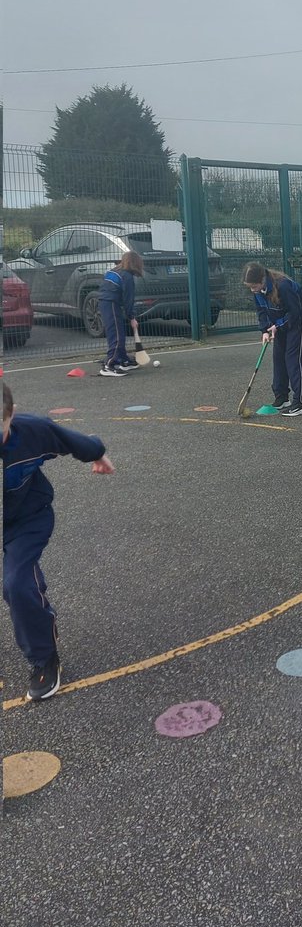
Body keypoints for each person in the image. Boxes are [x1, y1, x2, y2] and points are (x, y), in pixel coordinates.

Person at [3, 381, 114, 701]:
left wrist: (97, 454)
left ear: (10, 416)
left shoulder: (31, 432)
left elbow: (69, 440)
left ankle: (44, 657)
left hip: (26, 519)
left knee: (18, 584)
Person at [242, 262, 302, 416]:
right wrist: (265, 330)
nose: (252, 290)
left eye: (254, 286)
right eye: (250, 287)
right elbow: (261, 311)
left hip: (297, 321)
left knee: (294, 360)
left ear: (262, 280)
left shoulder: (283, 286)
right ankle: (282, 397)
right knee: (279, 358)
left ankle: (301, 403)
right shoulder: (258, 291)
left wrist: (278, 325)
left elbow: (295, 311)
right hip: (278, 323)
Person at [98, 251, 143, 376]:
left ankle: (123, 360)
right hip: (111, 303)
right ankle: (109, 366)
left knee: (118, 332)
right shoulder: (127, 277)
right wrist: (132, 317)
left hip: (104, 302)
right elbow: (129, 299)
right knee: (117, 336)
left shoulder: (114, 271)